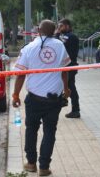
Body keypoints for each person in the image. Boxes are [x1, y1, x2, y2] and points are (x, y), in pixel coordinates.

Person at [12, 20, 71, 176]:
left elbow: (20, 75)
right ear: (54, 31)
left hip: (34, 99)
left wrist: (16, 94)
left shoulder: (29, 48)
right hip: (54, 99)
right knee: (49, 132)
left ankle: (31, 164)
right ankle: (44, 167)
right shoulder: (60, 46)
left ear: (38, 30)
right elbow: (65, 71)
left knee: (31, 130)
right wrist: (66, 89)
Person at [56, 19, 81, 118]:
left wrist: (57, 34)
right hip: (66, 66)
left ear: (67, 26)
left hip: (70, 66)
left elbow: (60, 43)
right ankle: (70, 106)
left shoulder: (71, 37)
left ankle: (75, 109)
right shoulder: (65, 37)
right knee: (69, 86)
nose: (59, 28)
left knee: (70, 87)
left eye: (61, 26)